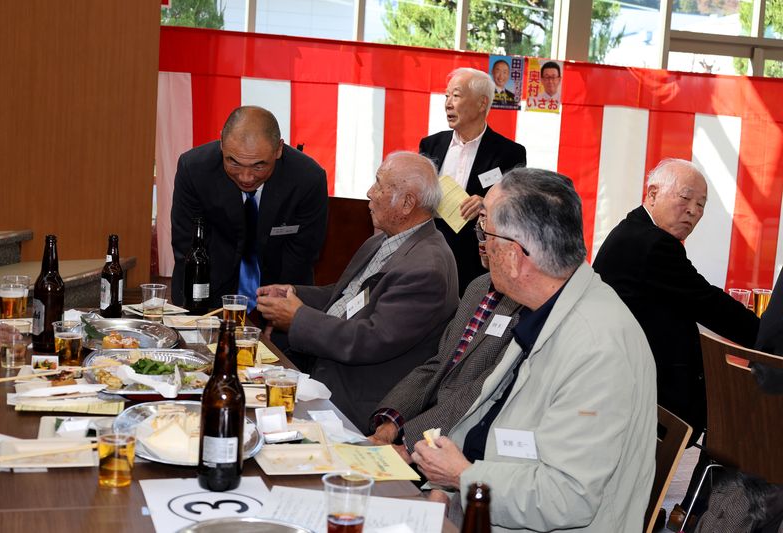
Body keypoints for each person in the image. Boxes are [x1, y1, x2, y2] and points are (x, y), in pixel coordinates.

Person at [411, 168, 657, 532]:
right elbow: (485, 418)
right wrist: (443, 488)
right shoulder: (547, 306)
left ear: (514, 255)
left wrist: (461, 478)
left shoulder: (597, 347)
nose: (482, 245)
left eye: (485, 231)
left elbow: (567, 498)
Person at [256, 151, 459, 429]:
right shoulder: (385, 241)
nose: (369, 193)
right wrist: (294, 293)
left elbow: (370, 339)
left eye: (379, 185)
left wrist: (297, 318)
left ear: (407, 203)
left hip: (357, 398)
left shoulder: (426, 269)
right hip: (323, 368)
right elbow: (348, 296)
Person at [593, 158, 759, 442]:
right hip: (645, 399)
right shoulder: (652, 243)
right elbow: (708, 303)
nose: (694, 210)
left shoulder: (633, 230)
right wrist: (767, 338)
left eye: (701, 204)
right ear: (653, 194)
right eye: (685, 198)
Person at [368, 229, 523, 455]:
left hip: (463, 441)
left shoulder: (527, 306)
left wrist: (409, 444)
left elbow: (479, 391)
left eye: (489, 231)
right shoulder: (478, 287)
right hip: (426, 426)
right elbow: (438, 365)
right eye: (480, 228)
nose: (482, 241)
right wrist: (389, 424)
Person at [170, 106, 328, 310]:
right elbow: (187, 245)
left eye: (258, 166)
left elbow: (302, 256)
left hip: (280, 294)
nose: (246, 177)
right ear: (222, 143)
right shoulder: (194, 169)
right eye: (233, 163)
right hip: (205, 291)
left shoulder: (307, 179)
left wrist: (280, 311)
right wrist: (202, 310)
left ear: (279, 149)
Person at [420, 67, 526, 296]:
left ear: (481, 103)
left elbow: (516, 208)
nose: (448, 103)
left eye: (456, 96)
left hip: (475, 262)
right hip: (429, 254)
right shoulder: (430, 145)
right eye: (446, 96)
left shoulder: (509, 153)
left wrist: (487, 204)